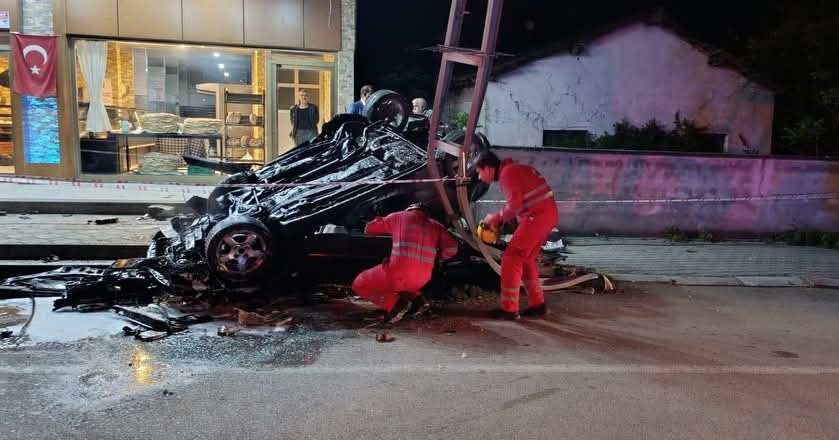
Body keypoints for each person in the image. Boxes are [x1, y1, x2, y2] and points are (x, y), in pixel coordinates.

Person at [475, 151, 558, 320]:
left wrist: (494, 219)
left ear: (488, 168)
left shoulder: (508, 173)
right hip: (546, 215)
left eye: (479, 172)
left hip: (537, 217)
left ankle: (509, 310)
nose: (479, 177)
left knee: (511, 258)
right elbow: (522, 202)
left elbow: (514, 206)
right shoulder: (516, 169)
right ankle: (538, 305)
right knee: (526, 259)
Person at [352, 203, 460, 324]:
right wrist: (439, 258)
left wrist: (377, 218)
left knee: (359, 284)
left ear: (409, 209)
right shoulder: (437, 226)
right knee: (404, 285)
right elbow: (453, 248)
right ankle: (418, 301)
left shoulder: (398, 216)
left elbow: (369, 229)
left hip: (398, 274)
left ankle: (395, 304)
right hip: (423, 278)